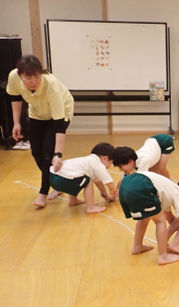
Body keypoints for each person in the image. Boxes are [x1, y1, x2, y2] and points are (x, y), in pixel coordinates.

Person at [6, 55, 74, 208]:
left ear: (41, 73)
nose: (34, 81)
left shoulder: (51, 86)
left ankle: (43, 191)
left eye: (37, 76)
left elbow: (59, 125)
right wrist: (16, 123)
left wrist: (58, 154)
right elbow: (15, 97)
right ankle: (57, 184)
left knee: (47, 153)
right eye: (28, 77)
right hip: (37, 112)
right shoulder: (13, 76)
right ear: (20, 75)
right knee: (36, 151)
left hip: (61, 112)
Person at [118, 172, 179, 265]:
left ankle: (137, 246)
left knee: (145, 218)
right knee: (160, 220)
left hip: (125, 185)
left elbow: (171, 220)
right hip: (142, 185)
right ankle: (163, 256)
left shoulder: (167, 190)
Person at [49, 142, 116, 213]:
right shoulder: (97, 163)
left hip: (52, 176)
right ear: (105, 158)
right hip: (63, 179)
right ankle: (91, 207)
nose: (109, 166)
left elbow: (97, 180)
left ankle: (73, 201)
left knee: (78, 177)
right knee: (88, 180)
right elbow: (108, 180)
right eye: (110, 163)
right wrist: (113, 190)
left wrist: (104, 193)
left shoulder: (88, 160)